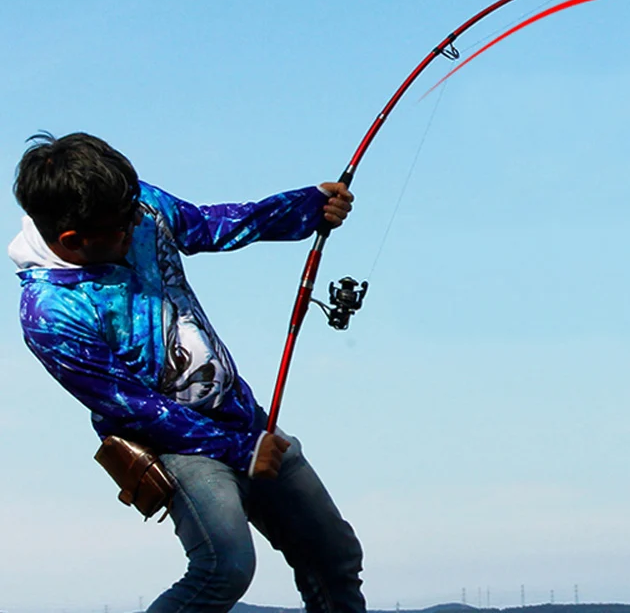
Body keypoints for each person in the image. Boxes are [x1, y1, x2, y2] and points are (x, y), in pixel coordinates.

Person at [9, 131, 366, 613]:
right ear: (73, 239)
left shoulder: (131, 204)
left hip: (243, 418)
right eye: (121, 228)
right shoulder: (49, 313)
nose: (136, 226)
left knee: (335, 557)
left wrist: (306, 207)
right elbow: (135, 408)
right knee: (226, 568)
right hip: (176, 446)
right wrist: (242, 451)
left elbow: (208, 225)